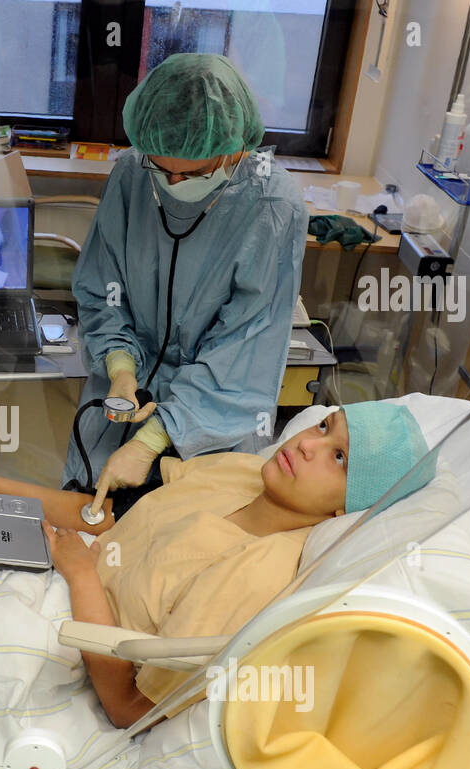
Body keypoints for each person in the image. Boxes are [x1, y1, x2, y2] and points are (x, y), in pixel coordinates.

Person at [0, 401, 433, 728]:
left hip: (63, 645)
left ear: (346, 509)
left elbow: (130, 707)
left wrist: (80, 573)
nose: (306, 442)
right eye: (324, 426)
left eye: (337, 456)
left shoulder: (257, 577)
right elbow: (102, 520)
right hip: (58, 567)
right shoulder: (240, 472)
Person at [65, 53, 308, 517]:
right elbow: (102, 287)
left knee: (179, 543)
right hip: (122, 403)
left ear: (233, 147)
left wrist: (158, 437)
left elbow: (244, 351)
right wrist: (119, 366)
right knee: (86, 516)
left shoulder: (273, 208)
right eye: (163, 169)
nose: (174, 182)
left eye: (193, 173)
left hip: (212, 421)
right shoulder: (133, 174)